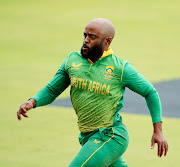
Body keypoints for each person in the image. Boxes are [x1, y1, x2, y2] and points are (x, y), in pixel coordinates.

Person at [17, 18, 168, 167]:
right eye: (85, 35)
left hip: (110, 136)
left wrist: (158, 131)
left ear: (107, 42)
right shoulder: (72, 60)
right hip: (87, 137)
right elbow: (52, 90)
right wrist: (32, 102)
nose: (86, 40)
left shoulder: (120, 68)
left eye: (92, 37)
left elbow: (150, 92)